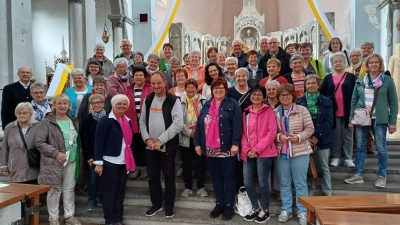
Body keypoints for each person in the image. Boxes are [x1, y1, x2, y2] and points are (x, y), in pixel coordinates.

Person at [345, 54, 398, 188]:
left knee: (380, 147)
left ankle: (381, 176)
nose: (373, 65)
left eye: (376, 62)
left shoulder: (387, 81)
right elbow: (354, 101)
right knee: (361, 147)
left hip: (379, 118)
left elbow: (393, 103)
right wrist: (351, 119)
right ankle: (358, 175)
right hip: (362, 117)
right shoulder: (360, 81)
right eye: (371, 63)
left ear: (380, 64)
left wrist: (392, 122)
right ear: (367, 65)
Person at [194, 77, 242, 221]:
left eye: (221, 88)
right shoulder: (207, 105)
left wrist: (235, 144)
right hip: (210, 148)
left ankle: (229, 205)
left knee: (228, 176)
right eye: (216, 88)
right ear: (212, 90)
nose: (218, 90)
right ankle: (219, 203)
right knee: (216, 177)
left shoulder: (233, 104)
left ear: (226, 90)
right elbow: (199, 126)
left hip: (227, 148)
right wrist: (197, 144)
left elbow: (238, 126)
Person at [139, 72, 183, 218]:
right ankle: (156, 204)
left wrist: (160, 140)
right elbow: (142, 121)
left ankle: (169, 206)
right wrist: (147, 140)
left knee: (169, 177)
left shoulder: (173, 100)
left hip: (167, 148)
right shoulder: (148, 99)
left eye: (159, 83)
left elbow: (178, 124)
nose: (156, 86)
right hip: (150, 147)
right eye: (153, 83)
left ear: (165, 82)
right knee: (153, 177)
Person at [35, 94, 81, 225]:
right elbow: (39, 142)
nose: (62, 106)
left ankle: (69, 216)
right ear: (54, 106)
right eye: (59, 103)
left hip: (72, 160)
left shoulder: (74, 120)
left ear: (69, 106)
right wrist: (55, 153)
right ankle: (53, 218)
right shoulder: (47, 122)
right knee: (54, 189)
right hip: (53, 162)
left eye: (65, 103)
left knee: (69, 189)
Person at [274, 84, 314, 225]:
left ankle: (303, 211)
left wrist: (298, 137)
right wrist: (280, 137)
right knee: (284, 182)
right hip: (282, 152)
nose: (285, 97)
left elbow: (310, 128)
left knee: (300, 183)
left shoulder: (302, 110)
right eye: (282, 95)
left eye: (288, 95)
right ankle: (286, 209)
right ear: (278, 97)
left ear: (293, 96)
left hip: (300, 151)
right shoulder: (275, 112)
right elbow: (271, 132)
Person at [93, 94, 135, 225]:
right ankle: (109, 219)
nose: (122, 106)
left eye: (124, 104)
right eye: (119, 103)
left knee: (120, 192)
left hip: (124, 162)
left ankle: (118, 217)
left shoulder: (128, 121)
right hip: (110, 161)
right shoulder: (106, 120)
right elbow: (98, 142)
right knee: (109, 192)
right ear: (113, 105)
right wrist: (99, 163)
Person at [241, 86, 277, 223]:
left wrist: (256, 150)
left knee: (263, 183)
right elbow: (243, 134)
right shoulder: (246, 113)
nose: (256, 96)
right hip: (248, 152)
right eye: (253, 94)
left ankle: (265, 211)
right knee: (248, 182)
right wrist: (247, 150)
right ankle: (255, 208)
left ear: (264, 97)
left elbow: (271, 133)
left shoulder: (268, 111)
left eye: (259, 94)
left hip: (264, 152)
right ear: (250, 97)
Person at [297, 74, 335, 196]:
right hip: (305, 139)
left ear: (318, 85)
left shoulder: (326, 100)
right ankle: (309, 191)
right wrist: (307, 136)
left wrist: (317, 136)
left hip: (323, 139)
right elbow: (298, 122)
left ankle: (328, 192)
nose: (311, 85)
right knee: (306, 165)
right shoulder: (300, 102)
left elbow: (329, 121)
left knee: (324, 165)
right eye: (308, 83)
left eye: (313, 83)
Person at [320, 52, 357, 167]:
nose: (338, 63)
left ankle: (348, 158)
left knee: (348, 135)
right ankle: (335, 157)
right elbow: (323, 95)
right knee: (335, 135)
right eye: (335, 62)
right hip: (332, 112)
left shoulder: (351, 77)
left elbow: (356, 94)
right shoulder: (327, 78)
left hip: (348, 111)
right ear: (332, 64)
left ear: (345, 62)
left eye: (340, 61)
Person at [179, 79, 208, 198]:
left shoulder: (203, 101)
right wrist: (189, 132)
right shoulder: (179, 101)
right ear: (185, 88)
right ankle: (188, 187)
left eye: (193, 87)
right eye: (188, 87)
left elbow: (206, 118)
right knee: (186, 163)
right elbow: (178, 120)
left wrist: (197, 133)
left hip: (200, 136)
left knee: (200, 162)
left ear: (197, 88)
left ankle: (201, 186)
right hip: (185, 136)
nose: (190, 89)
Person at [1, 103, 40, 183]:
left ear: (31, 114)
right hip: (15, 166)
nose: (21, 115)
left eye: (25, 113)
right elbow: (4, 148)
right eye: (19, 113)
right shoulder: (10, 127)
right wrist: (4, 166)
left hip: (33, 168)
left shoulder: (38, 126)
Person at [80, 94, 107, 211]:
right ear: (91, 105)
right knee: (92, 179)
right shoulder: (87, 120)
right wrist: (89, 156)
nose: (96, 105)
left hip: (106, 155)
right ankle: (91, 200)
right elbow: (84, 140)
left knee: (104, 179)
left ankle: (101, 199)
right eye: (94, 103)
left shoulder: (109, 118)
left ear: (103, 104)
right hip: (93, 156)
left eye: (99, 102)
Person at [125, 67, 153, 179]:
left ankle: (145, 168)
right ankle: (136, 167)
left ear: (145, 77)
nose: (138, 77)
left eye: (141, 75)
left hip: (147, 120)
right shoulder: (128, 90)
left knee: (145, 144)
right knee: (135, 145)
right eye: (136, 75)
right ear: (133, 77)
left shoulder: (150, 89)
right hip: (132, 121)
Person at [345, 48, 373, 154]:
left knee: (367, 122)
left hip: (365, 98)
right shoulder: (347, 70)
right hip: (352, 98)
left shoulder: (366, 69)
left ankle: (369, 145)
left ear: (361, 57)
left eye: (357, 55)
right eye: (353, 56)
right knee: (354, 122)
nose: (355, 57)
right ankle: (355, 145)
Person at [1, 66, 33, 130]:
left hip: (33, 124)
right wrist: (6, 126)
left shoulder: (36, 88)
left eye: (27, 72)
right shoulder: (9, 88)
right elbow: (5, 109)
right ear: (18, 74)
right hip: (15, 124)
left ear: (31, 75)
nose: (25, 74)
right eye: (22, 72)